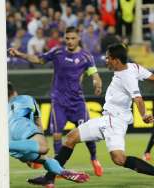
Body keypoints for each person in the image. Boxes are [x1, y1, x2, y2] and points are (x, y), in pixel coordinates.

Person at [27, 43, 154, 188]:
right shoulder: (133, 67)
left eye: (108, 58)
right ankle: (49, 178)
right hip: (108, 119)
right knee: (71, 138)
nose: (106, 60)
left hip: (115, 121)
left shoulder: (127, 77)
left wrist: (143, 115)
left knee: (119, 159)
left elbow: (137, 98)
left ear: (116, 60)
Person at [8, 26, 104, 176]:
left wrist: (97, 83)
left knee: (87, 134)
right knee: (57, 135)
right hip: (59, 101)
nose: (70, 41)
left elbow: (95, 74)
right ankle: (58, 168)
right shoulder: (57, 52)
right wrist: (20, 54)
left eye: (73, 38)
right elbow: (38, 59)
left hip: (77, 102)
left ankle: (94, 158)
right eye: (67, 38)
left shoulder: (86, 56)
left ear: (78, 38)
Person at [0, 82, 90, 184]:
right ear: (14, 92)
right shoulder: (26, 98)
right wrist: (40, 137)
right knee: (43, 147)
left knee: (43, 159)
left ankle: (62, 172)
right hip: (22, 127)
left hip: (10, 140)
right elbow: (38, 121)